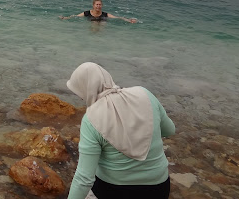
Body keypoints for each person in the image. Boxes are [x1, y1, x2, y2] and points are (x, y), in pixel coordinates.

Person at [66, 62, 175, 199]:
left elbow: (84, 179)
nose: (81, 98)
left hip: (113, 191)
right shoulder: (145, 94)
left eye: (80, 93)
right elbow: (169, 130)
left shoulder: (90, 119)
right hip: (159, 189)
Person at [60, 0, 137, 23]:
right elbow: (75, 16)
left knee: (103, 23)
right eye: (97, 4)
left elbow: (117, 17)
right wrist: (65, 18)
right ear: (93, 5)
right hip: (92, 21)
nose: (98, 6)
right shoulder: (87, 13)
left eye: (100, 5)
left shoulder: (105, 14)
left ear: (102, 5)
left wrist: (129, 20)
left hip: (102, 21)